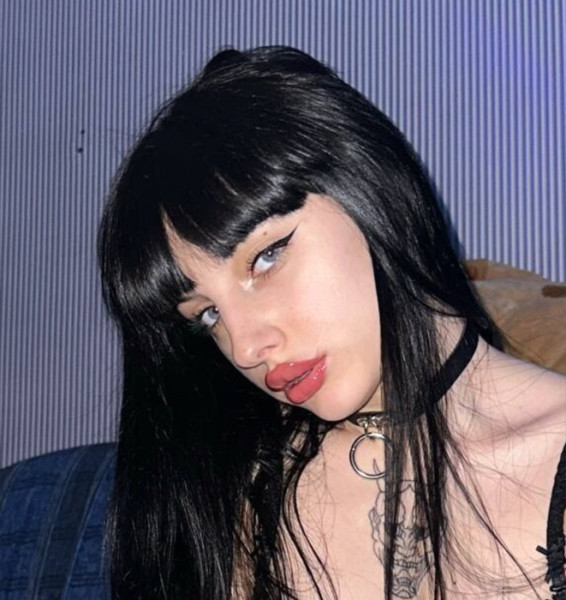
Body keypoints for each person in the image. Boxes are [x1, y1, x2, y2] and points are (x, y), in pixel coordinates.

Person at [98, 46, 566, 599]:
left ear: (371, 188)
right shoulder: (249, 499)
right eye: (209, 313)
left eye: (265, 257)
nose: (245, 347)